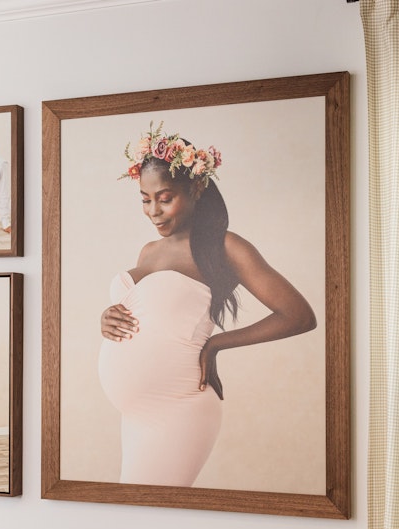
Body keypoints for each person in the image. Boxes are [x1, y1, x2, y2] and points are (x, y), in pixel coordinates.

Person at [98, 123, 317, 487]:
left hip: (178, 408)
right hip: (136, 413)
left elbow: (299, 315)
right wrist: (108, 317)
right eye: (145, 199)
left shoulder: (226, 246)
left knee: (152, 509)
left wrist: (217, 343)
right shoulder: (148, 251)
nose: (153, 211)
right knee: (136, 508)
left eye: (165, 198)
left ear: (197, 188)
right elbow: (152, 313)